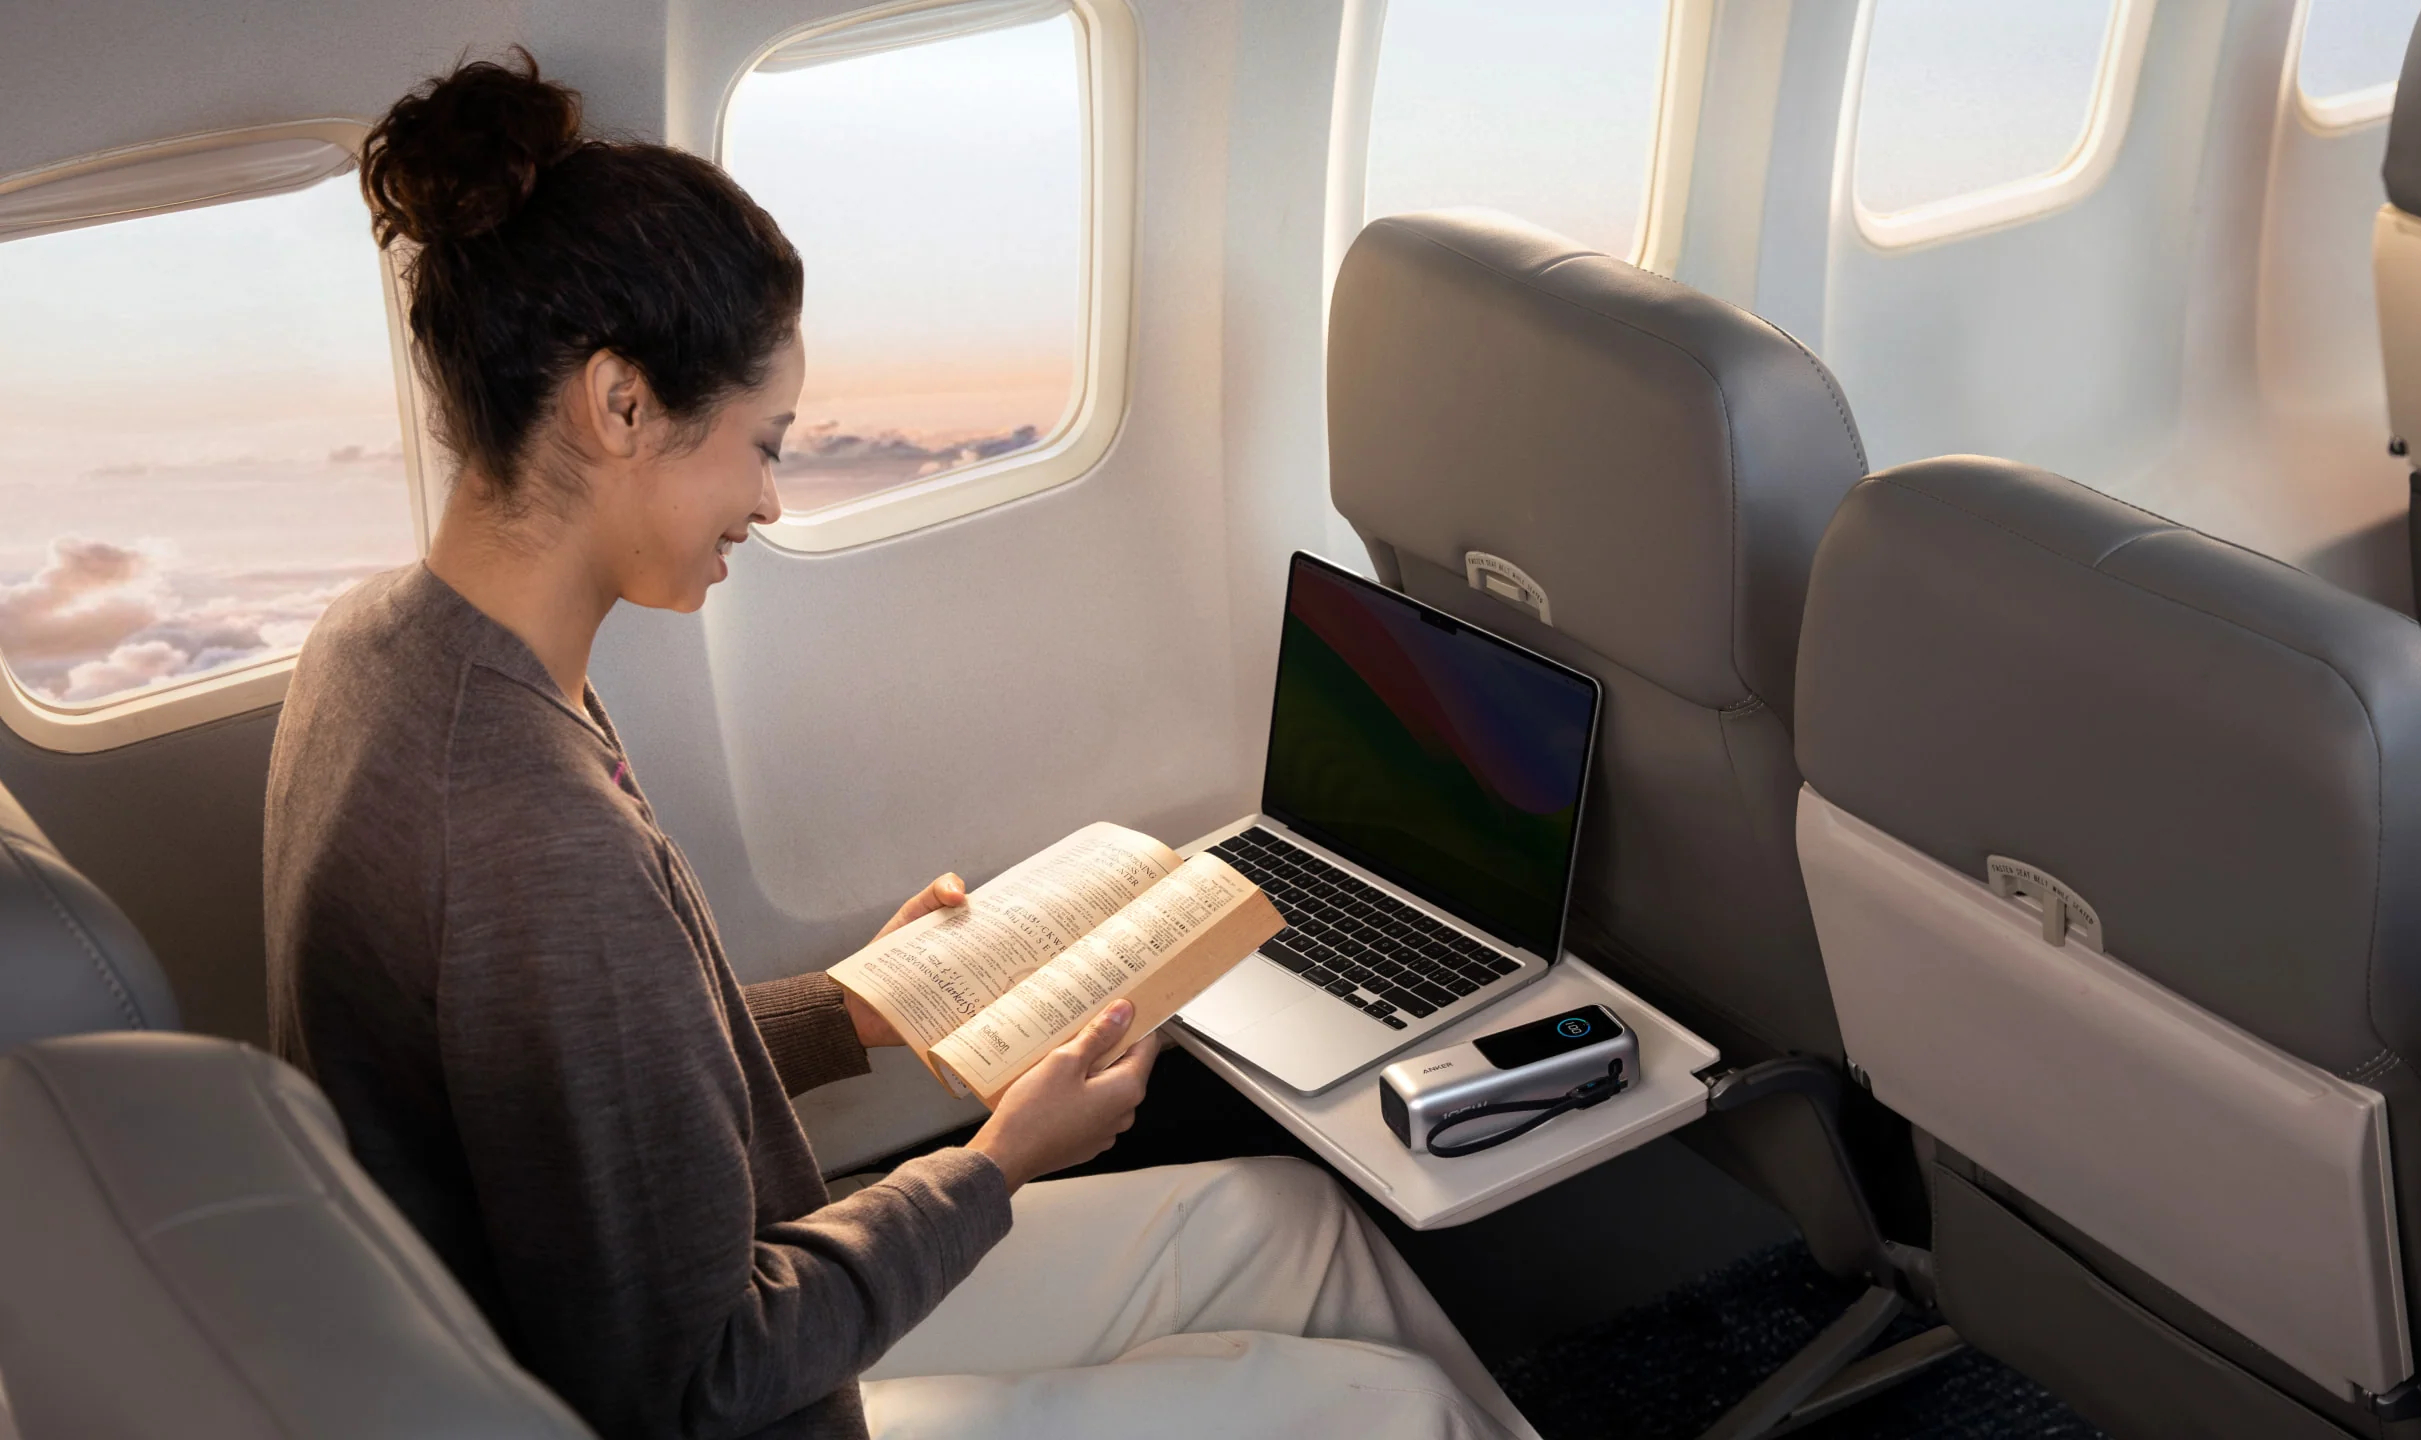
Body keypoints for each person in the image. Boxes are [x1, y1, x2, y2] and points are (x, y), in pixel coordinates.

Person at [262, 51, 1536, 1440]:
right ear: (620, 405)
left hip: (704, 1296)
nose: (767, 497)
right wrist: (1000, 1163)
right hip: (732, 1392)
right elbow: (699, 1378)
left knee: (1292, 1225)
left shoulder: (390, 648)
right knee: (1395, 1411)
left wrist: (862, 1000)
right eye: (761, 442)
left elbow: (584, 1076)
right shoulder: (526, 838)